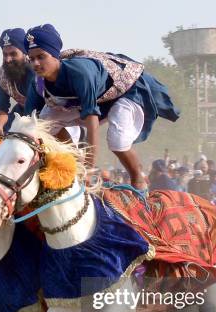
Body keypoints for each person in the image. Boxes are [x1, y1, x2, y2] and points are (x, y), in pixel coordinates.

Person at [23, 24, 180, 190]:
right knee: (43, 123)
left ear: (55, 55)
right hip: (94, 100)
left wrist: (89, 167)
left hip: (124, 91)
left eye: (41, 57)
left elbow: (92, 123)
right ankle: (74, 163)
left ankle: (138, 180)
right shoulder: (37, 83)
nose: (36, 63)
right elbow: (27, 123)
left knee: (117, 141)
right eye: (31, 59)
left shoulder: (80, 73)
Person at [0, 28, 36, 135]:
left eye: (13, 54)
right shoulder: (0, 76)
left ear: (25, 53)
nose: (8, 59)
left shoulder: (38, 70)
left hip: (46, 113)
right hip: (22, 113)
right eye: (5, 54)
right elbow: (1, 108)